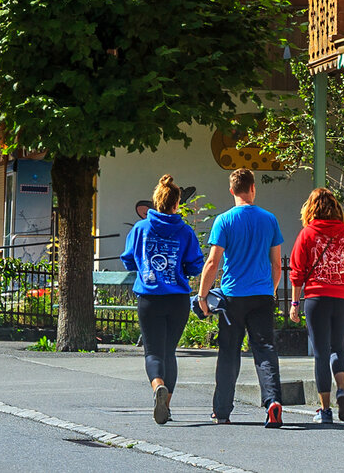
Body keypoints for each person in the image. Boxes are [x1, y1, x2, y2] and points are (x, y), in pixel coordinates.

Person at [197, 168, 286, 428]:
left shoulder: (224, 220)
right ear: (253, 188)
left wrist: (203, 295)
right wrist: (271, 290)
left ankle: (222, 411)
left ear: (231, 190)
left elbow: (213, 262)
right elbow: (277, 264)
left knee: (228, 353)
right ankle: (272, 402)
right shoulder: (269, 219)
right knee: (265, 350)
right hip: (261, 295)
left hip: (232, 297)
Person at [122, 175, 207, 425]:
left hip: (149, 297)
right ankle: (166, 405)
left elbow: (128, 259)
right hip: (177, 299)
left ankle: (157, 385)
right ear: (176, 203)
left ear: (156, 201)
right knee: (170, 352)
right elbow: (194, 265)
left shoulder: (141, 229)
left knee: (153, 352)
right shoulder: (185, 230)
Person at [289, 187, 344, 423]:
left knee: (321, 354)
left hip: (316, 299)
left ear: (310, 209)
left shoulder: (307, 235)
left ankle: (325, 410)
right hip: (343, 298)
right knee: (339, 349)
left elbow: (297, 272)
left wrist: (294, 303)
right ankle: (341, 389)